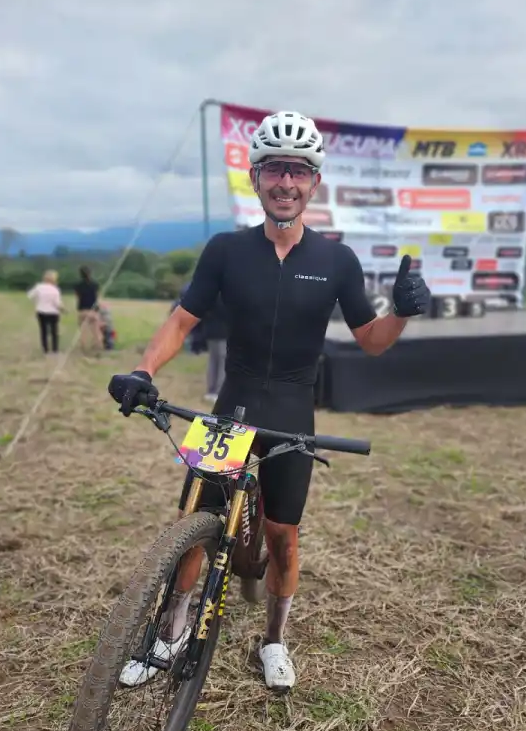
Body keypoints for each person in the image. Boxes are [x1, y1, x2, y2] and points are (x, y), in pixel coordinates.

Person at [108, 109, 431, 693]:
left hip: (291, 411)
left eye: (299, 171)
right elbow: (182, 322)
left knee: (283, 535)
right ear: (256, 179)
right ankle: (171, 627)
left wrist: (402, 312)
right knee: (195, 520)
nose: (286, 182)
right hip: (231, 404)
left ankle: (275, 639)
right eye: (275, 169)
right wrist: (142, 368)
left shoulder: (337, 261)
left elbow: (372, 342)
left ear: (314, 183)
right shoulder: (226, 251)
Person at [27, 269, 64, 354]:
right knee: (54, 331)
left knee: (43, 331)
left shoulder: (39, 287)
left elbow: (30, 296)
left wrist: (37, 301)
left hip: (41, 311)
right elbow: (57, 303)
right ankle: (55, 349)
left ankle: (45, 349)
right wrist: (63, 309)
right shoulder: (55, 289)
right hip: (53, 312)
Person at [202, 293, 228, 402]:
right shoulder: (224, 297)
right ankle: (217, 391)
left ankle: (211, 390)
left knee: (213, 361)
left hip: (210, 332)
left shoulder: (210, 295)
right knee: (222, 362)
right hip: (222, 333)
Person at [74, 266, 102, 353]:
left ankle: (83, 348)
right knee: (96, 331)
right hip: (93, 310)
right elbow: (98, 297)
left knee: (83, 331)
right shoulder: (95, 284)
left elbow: (77, 297)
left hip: (82, 310)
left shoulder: (78, 285)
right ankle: (98, 347)